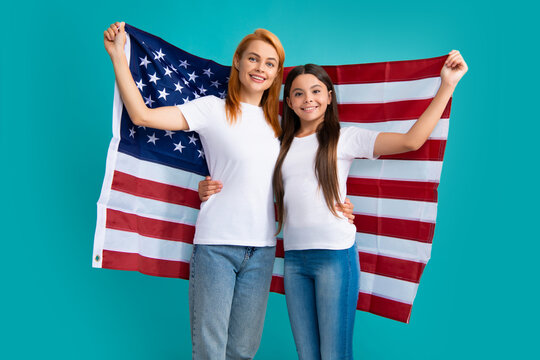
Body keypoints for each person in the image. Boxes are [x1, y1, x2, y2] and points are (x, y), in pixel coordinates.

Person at [103, 22, 354, 360]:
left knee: (242, 352)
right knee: (210, 351)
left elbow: (303, 172)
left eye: (269, 63)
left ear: (277, 72)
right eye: (253, 59)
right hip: (216, 247)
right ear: (237, 61)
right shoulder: (211, 109)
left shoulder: (281, 125)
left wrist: (336, 204)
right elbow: (142, 116)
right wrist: (119, 57)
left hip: (262, 252)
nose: (260, 68)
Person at [200, 53, 467, 359]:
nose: (307, 99)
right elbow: (242, 169)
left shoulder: (346, 138)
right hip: (295, 262)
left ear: (329, 96)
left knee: (335, 354)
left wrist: (447, 85)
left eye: (315, 91)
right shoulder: (279, 145)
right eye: (298, 93)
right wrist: (206, 185)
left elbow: (411, 141)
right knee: (308, 355)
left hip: (335, 259)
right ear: (288, 103)